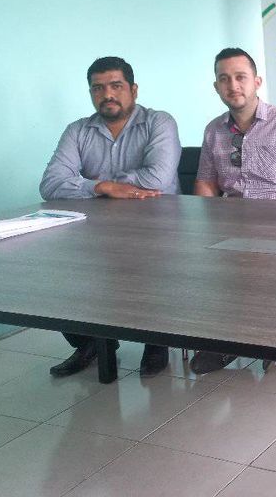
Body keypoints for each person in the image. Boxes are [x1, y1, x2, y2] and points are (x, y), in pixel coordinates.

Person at [189, 47, 276, 374]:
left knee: (260, 272)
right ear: (216, 86)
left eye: (240, 77)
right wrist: (202, 222)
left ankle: (263, 337)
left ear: (257, 82)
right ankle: (227, 340)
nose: (233, 85)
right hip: (230, 222)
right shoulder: (213, 130)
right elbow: (206, 180)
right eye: (224, 79)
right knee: (204, 268)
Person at [40, 56, 181, 378]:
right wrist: (102, 187)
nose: (107, 94)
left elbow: (157, 179)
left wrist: (90, 185)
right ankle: (90, 342)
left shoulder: (159, 122)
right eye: (98, 88)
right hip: (95, 230)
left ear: (133, 89)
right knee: (57, 271)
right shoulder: (77, 130)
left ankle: (156, 342)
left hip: (157, 226)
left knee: (149, 270)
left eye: (116, 86)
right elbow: (50, 184)